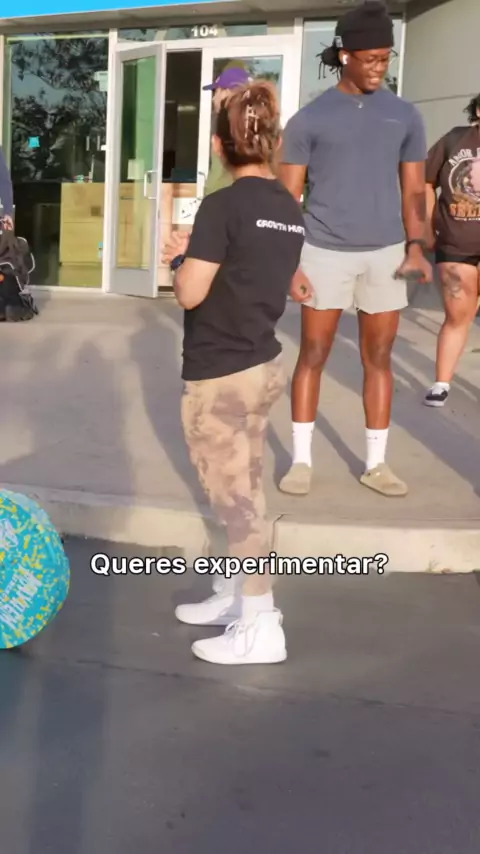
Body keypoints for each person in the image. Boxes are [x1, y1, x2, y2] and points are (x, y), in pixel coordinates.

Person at [170, 81, 305, 665]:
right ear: (271, 143)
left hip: (221, 373)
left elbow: (190, 292)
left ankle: (259, 623)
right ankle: (234, 595)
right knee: (245, 487)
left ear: (220, 147)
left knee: (237, 502)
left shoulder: (222, 206)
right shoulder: (287, 207)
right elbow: (255, 273)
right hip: (262, 364)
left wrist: (179, 258)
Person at [277, 0, 432, 499]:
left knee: (379, 356)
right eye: (370, 59)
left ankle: (376, 464)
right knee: (314, 353)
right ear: (345, 55)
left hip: (386, 252)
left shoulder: (404, 116)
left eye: (386, 59)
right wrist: (289, 263)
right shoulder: (308, 120)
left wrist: (416, 246)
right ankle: (301, 461)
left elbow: (414, 190)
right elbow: (286, 199)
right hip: (323, 250)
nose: (379, 68)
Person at [423, 94, 480, 407]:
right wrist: (427, 226)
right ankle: (441, 384)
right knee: (458, 316)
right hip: (457, 243)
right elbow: (425, 181)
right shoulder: (454, 140)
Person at [162, 66, 250, 266]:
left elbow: (223, 179)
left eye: (216, 92)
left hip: (223, 213)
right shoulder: (244, 128)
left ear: (228, 91)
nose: (213, 99)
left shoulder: (232, 131)